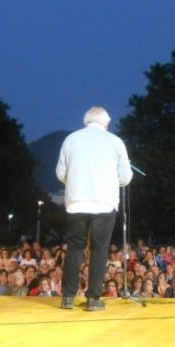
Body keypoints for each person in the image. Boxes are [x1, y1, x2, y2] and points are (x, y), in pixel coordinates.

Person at [56, 106, 133, 311]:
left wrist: (75, 181)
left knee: (75, 247)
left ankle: (68, 298)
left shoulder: (71, 139)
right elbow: (125, 178)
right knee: (99, 249)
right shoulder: (115, 142)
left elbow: (60, 173)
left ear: (86, 121)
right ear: (106, 123)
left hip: (76, 202)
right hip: (104, 203)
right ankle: (93, 299)